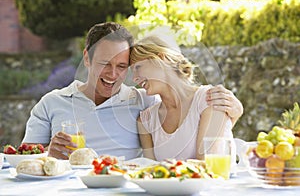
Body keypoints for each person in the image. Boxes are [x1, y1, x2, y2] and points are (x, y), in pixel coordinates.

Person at [22, 22, 243, 160]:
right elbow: (22, 161)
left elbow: (191, 116)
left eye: (122, 67)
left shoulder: (143, 101)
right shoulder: (51, 103)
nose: (113, 75)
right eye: (105, 64)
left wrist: (234, 111)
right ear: (87, 58)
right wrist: (47, 154)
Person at [130, 35, 239, 161]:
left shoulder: (210, 99)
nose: (134, 78)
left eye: (138, 67)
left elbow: (207, 162)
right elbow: (149, 173)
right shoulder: (145, 121)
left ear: (161, 58)